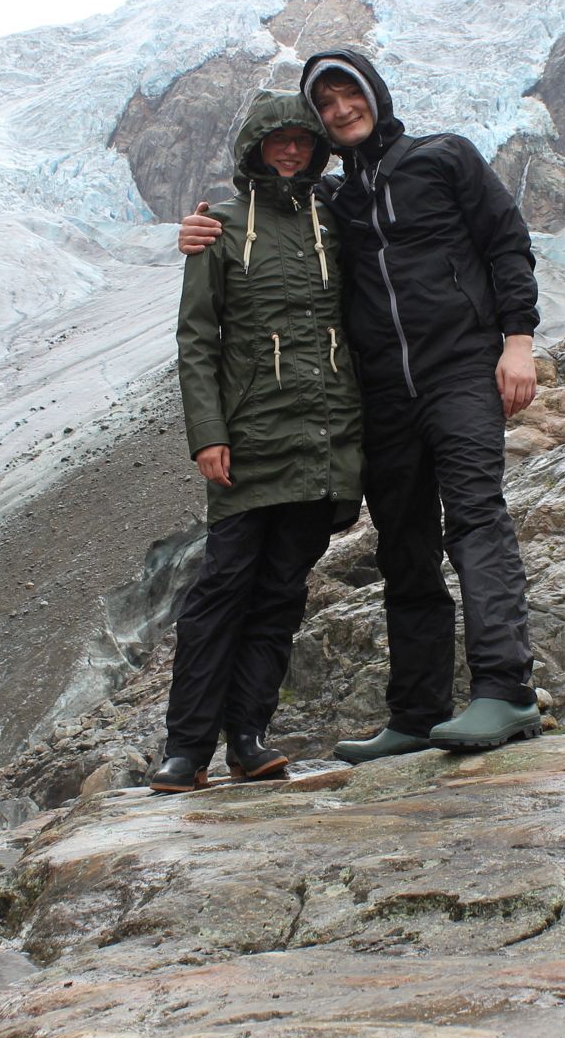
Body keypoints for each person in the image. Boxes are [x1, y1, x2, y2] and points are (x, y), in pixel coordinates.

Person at [179, 48, 542, 763]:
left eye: (351, 95)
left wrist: (518, 341)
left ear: (374, 93)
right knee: (404, 546)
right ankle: (416, 712)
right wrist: (199, 231)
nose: (343, 110)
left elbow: (507, 240)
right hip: (383, 394)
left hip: (460, 369)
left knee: (475, 519)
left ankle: (507, 690)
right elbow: (269, 220)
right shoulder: (335, 203)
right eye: (328, 104)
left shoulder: (444, 158)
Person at [155, 90, 366, 793]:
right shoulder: (217, 228)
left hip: (322, 438)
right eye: (277, 140)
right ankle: (186, 748)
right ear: (253, 148)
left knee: (280, 594)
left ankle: (248, 738)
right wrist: (207, 435)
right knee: (222, 588)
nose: (290, 150)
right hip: (248, 442)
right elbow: (197, 339)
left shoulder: (333, 221)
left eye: (302, 141)